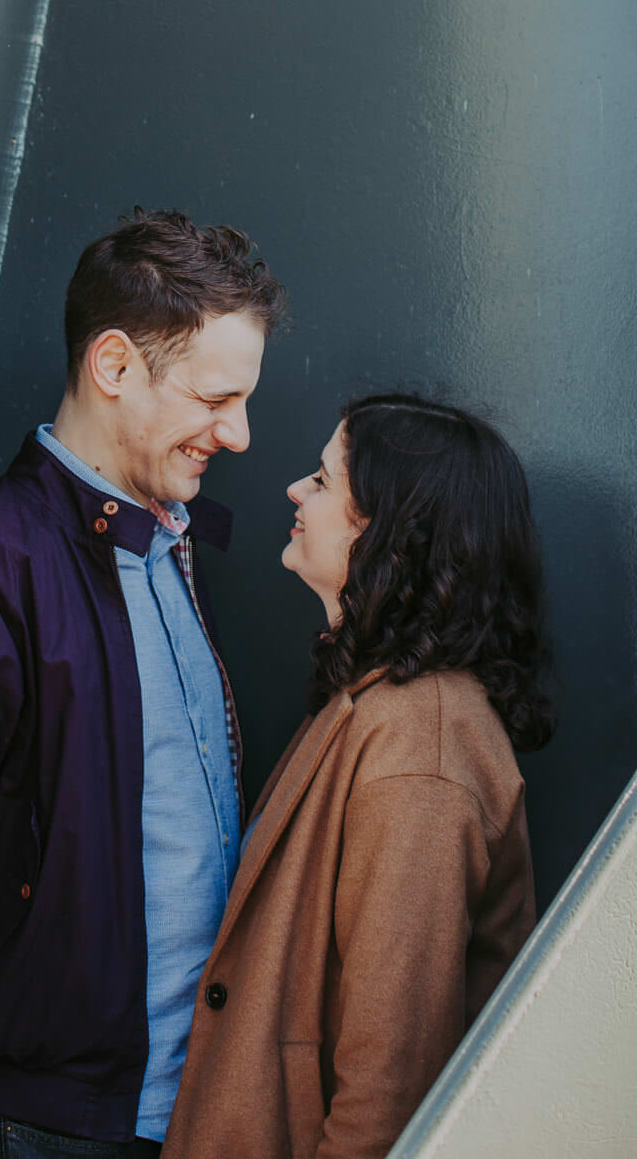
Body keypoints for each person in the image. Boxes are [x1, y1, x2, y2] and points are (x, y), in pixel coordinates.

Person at [0, 209, 288, 1159]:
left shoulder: (174, 545)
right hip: (48, 1129)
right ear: (113, 367)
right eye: (216, 398)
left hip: (191, 1112)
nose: (242, 435)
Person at [161, 394, 555, 1159]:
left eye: (321, 479)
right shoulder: (379, 701)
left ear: (388, 529)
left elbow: (390, 1090)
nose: (294, 492)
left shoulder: (422, 751)